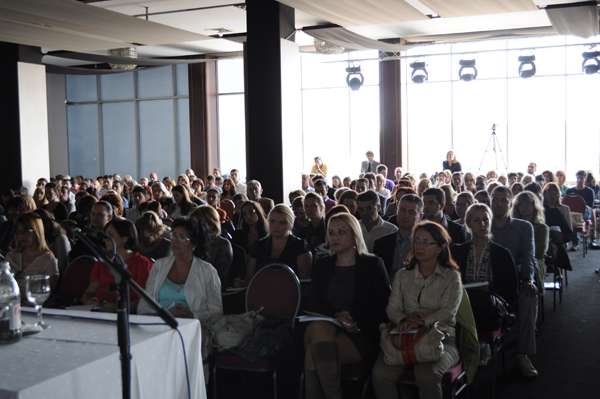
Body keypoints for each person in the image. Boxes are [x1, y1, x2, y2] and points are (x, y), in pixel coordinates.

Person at [304, 213, 390, 399]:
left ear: (354, 236)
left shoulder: (373, 264)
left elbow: (383, 307)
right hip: (328, 324)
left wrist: (356, 324)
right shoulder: (323, 265)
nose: (335, 237)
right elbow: (313, 302)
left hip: (360, 332)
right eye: (331, 232)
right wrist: (337, 316)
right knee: (319, 327)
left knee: (313, 352)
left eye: (341, 232)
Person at [372, 221, 462, 399]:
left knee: (427, 376)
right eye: (417, 241)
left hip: (441, 338)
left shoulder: (451, 277)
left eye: (427, 242)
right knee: (380, 374)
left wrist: (421, 321)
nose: (420, 246)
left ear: (440, 248)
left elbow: (448, 312)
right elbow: (392, 308)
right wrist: (406, 321)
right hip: (404, 336)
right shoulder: (402, 275)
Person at [450, 204, 519, 365]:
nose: (482, 224)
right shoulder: (458, 251)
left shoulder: (502, 254)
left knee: (470, 309)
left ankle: (471, 346)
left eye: (485, 220)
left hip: (490, 310)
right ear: (468, 224)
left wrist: (488, 291)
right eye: (476, 220)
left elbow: (511, 291)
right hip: (462, 304)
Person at [137, 217, 222, 330]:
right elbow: (143, 306)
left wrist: (190, 316)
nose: (175, 241)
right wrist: (165, 314)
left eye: (182, 237)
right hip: (159, 326)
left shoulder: (207, 271)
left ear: (194, 244)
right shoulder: (159, 266)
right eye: (174, 236)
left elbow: (216, 310)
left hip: (192, 328)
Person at [490, 186, 538, 377]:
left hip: (515, 281)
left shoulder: (523, 227)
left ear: (510, 204)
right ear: (490, 202)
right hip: (487, 282)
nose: (499, 204)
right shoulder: (482, 224)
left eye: (503, 200)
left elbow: (528, 256)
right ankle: (479, 347)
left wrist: (528, 279)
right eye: (495, 200)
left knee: (529, 295)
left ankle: (522, 354)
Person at [82, 218, 152, 313]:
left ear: (124, 239)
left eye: (110, 235)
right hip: (98, 311)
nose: (104, 239)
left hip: (126, 314)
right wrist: (89, 301)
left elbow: (143, 301)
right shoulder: (102, 262)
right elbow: (89, 292)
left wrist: (116, 307)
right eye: (105, 234)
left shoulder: (143, 264)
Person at [234, 205, 312, 288]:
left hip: (290, 293)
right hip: (262, 291)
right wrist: (241, 283)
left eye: (282, 222)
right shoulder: (258, 245)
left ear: (290, 225)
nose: (276, 226)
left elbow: (304, 283)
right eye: (273, 221)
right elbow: (250, 279)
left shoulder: (300, 246)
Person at [5, 213, 60, 297]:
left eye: (26, 231)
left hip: (33, 307)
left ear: (37, 231)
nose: (21, 235)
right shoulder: (11, 256)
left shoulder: (49, 261)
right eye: (18, 232)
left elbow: (46, 295)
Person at [373, 194, 423, 279]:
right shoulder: (381, 243)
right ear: (397, 211)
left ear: (420, 217)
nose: (405, 215)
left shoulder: (423, 245)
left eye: (411, 212)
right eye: (402, 210)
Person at [511, 191, 549, 293]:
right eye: (521, 204)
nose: (524, 207)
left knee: (529, 265)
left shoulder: (542, 228)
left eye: (527, 203)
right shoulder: (512, 227)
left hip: (536, 261)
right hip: (515, 259)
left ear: (534, 205)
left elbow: (539, 251)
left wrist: (519, 250)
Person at [189, 206, 233, 290]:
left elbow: (219, 277)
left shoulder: (222, 244)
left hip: (211, 289)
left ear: (211, 225)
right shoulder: (191, 241)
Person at [565, 170, 595, 251]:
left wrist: (583, 204)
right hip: (572, 212)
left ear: (585, 179)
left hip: (585, 211)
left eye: (581, 178)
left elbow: (590, 204)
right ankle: (565, 240)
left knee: (575, 218)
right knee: (570, 217)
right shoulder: (570, 191)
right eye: (578, 178)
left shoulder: (589, 191)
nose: (579, 180)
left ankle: (575, 243)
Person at [298, 193, 327, 260]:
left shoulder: (328, 229)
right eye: (306, 206)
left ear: (321, 207)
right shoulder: (303, 231)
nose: (309, 209)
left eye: (313, 205)